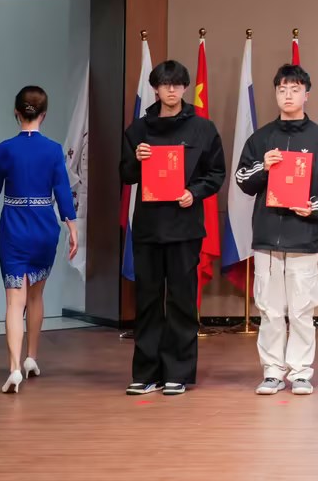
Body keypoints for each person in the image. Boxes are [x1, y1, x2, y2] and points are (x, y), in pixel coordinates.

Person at [232, 63, 318, 396]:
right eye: (282, 89)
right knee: (269, 311)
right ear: (276, 93)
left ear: (306, 95)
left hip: (303, 236)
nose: (288, 95)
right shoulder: (261, 138)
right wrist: (263, 167)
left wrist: (315, 207)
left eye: (295, 89)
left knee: (301, 310)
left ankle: (300, 372)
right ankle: (272, 372)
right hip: (267, 237)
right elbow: (242, 179)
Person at [119, 58, 226, 396]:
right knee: (148, 301)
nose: (171, 90)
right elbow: (125, 174)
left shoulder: (202, 128)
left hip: (184, 227)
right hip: (148, 228)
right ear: (155, 88)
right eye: (165, 84)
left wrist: (194, 192)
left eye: (177, 85)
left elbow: (216, 173)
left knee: (181, 302)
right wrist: (137, 159)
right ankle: (146, 373)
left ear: (185, 88)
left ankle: (177, 373)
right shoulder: (138, 130)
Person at [0, 87, 78, 393]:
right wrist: (72, 226)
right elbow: (62, 190)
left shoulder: (5, 149)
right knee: (36, 296)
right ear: (43, 115)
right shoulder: (53, 150)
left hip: (14, 226)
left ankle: (14, 368)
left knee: (14, 301)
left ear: (16, 112)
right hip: (44, 227)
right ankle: (31, 358)